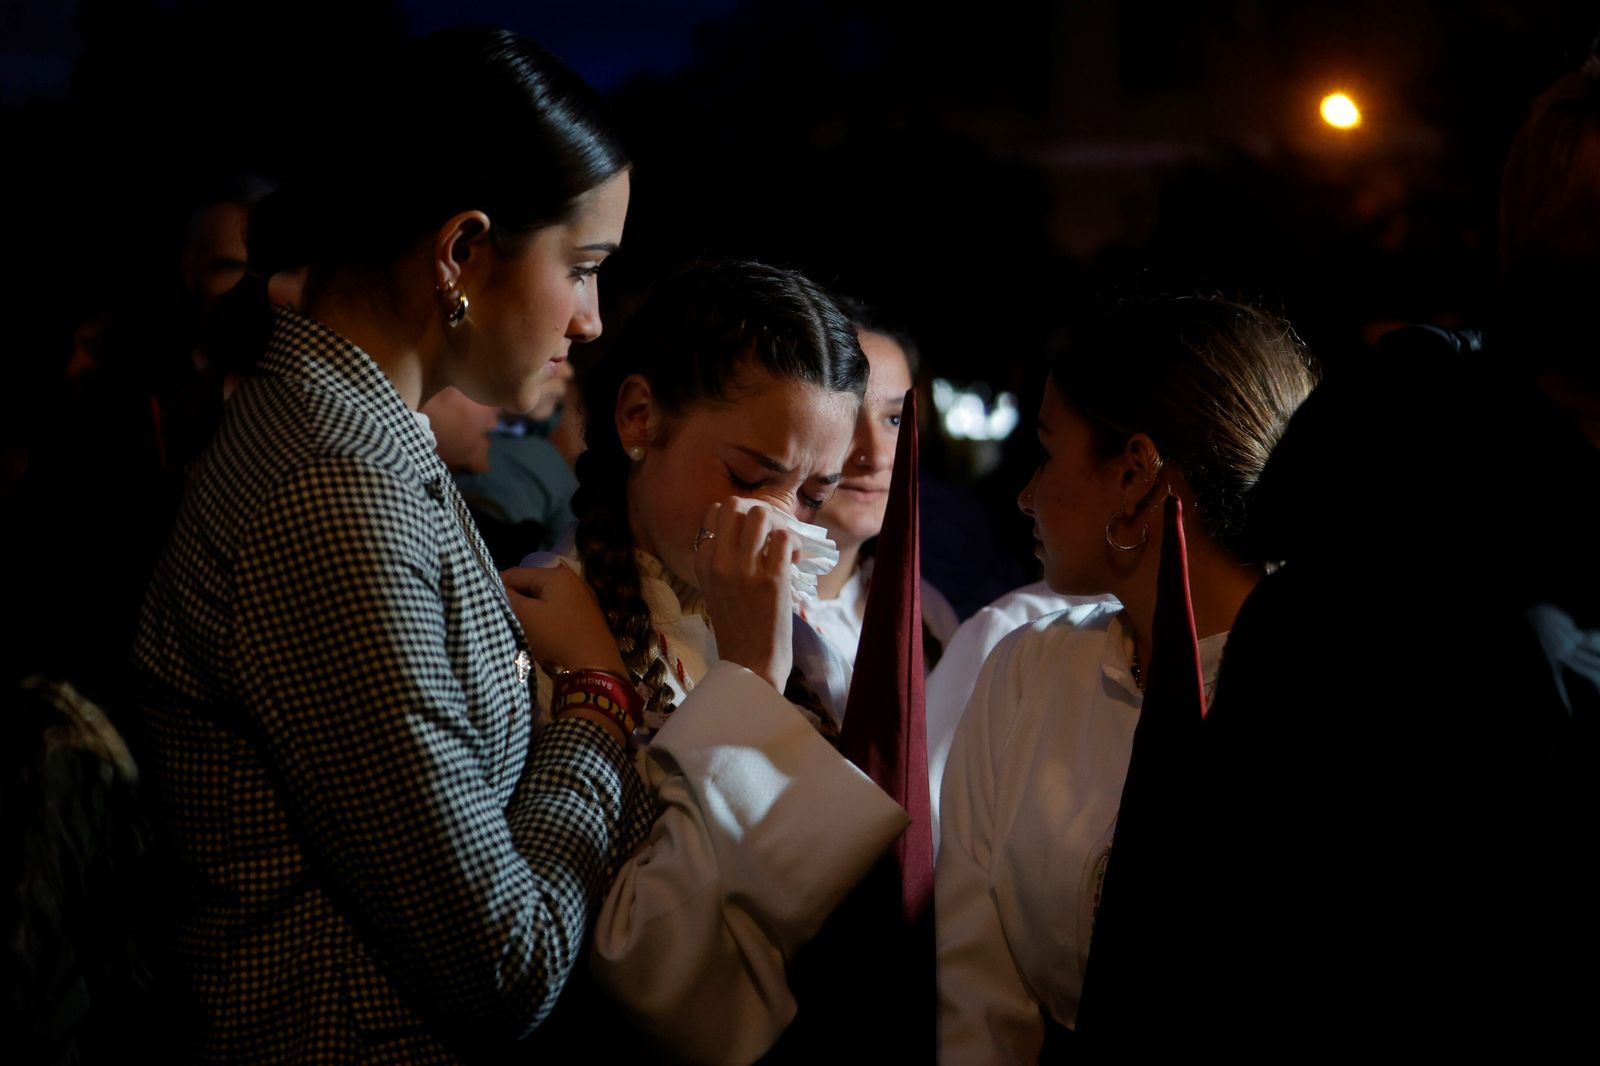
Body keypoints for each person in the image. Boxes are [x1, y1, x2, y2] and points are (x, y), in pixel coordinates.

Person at [131, 28, 649, 1061]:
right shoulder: (333, 490)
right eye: (583, 268)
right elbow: (502, 963)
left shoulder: (354, 436)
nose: (591, 319)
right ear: (461, 252)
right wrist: (595, 699)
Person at [536, 260, 909, 1063]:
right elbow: (655, 974)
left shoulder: (805, 641)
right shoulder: (550, 631)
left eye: (812, 497)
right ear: (639, 417)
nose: (779, 524)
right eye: (749, 477)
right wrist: (749, 674)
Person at [935, 296, 1314, 1061]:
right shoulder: (1024, 669)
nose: (1025, 494)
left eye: (1045, 453)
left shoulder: (1320, 690)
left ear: (1136, 474)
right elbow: (974, 998)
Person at [805, 305, 959, 674]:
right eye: (847, 416)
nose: (874, 456)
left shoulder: (925, 611)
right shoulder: (729, 608)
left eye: (894, 419)